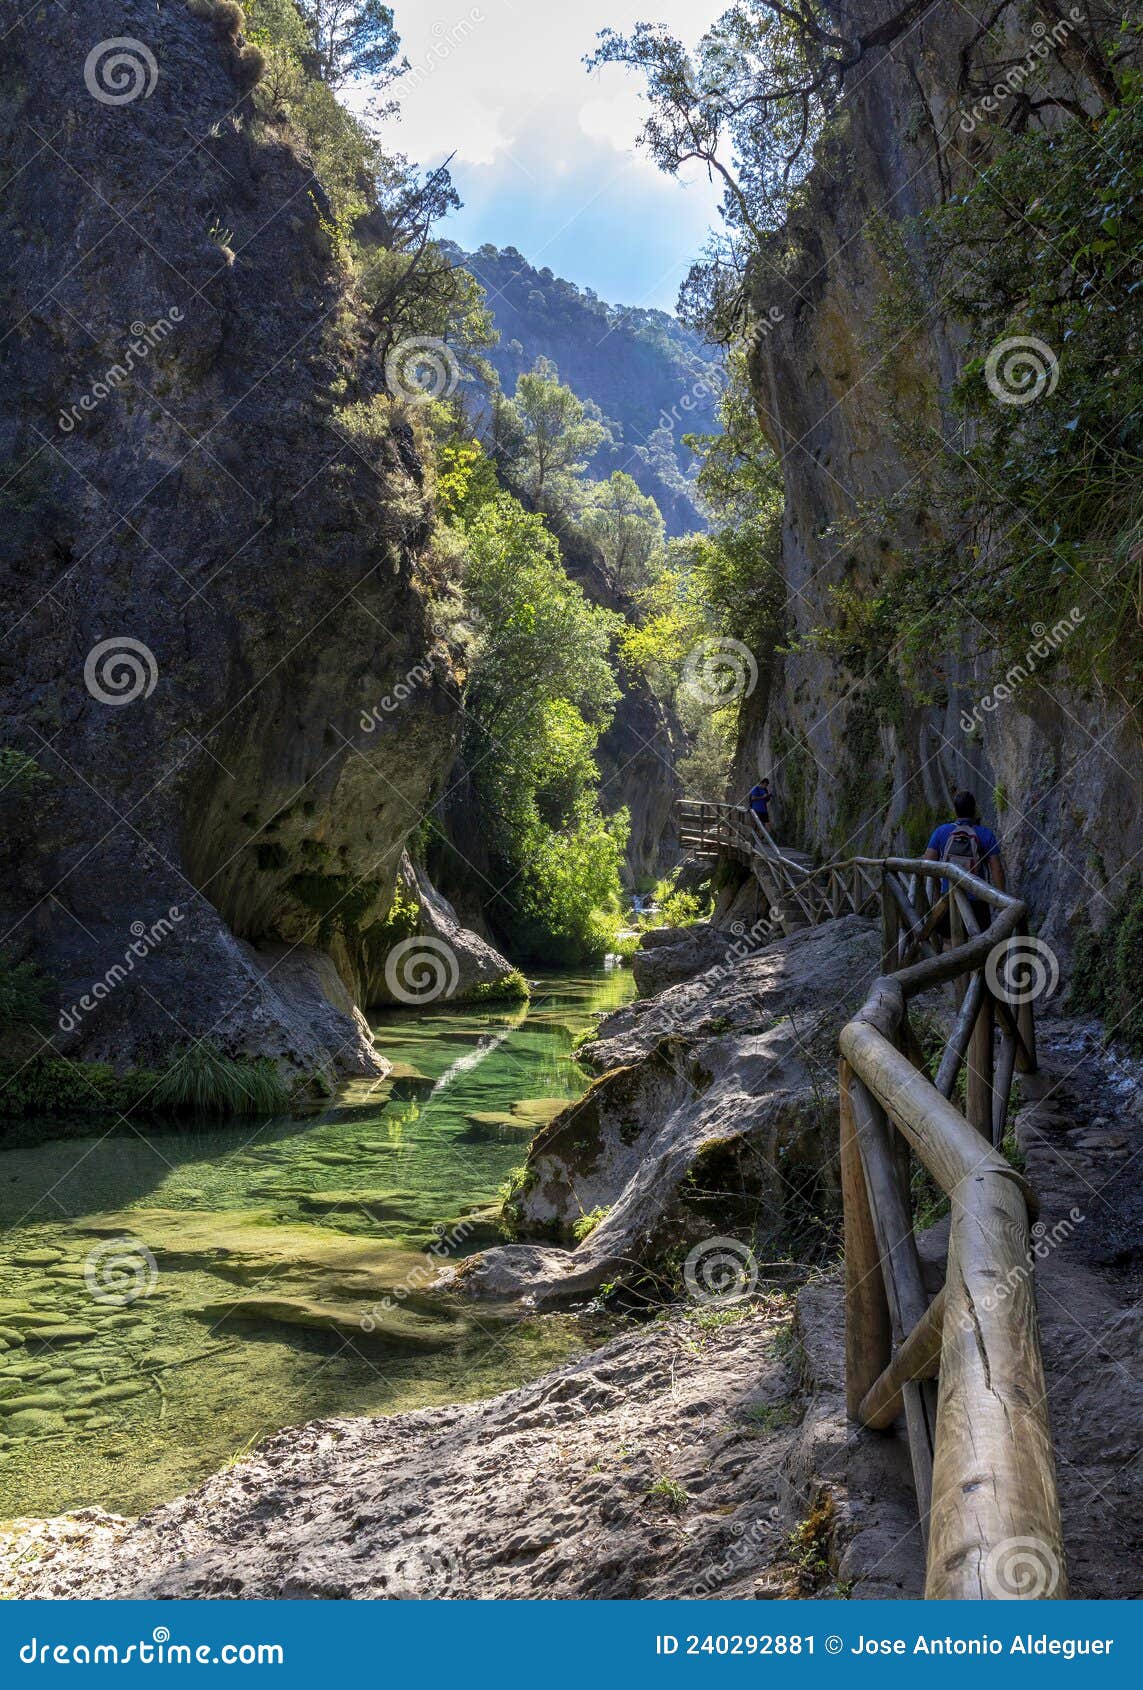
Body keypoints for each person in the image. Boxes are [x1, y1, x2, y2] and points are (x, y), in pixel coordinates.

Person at [924, 789, 1005, 929]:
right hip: (978, 897)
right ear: (974, 810)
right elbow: (996, 869)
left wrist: (937, 893)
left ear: (955, 810)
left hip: (948, 899)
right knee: (980, 941)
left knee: (949, 942)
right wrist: (1001, 902)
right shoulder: (985, 834)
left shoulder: (941, 831)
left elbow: (928, 864)